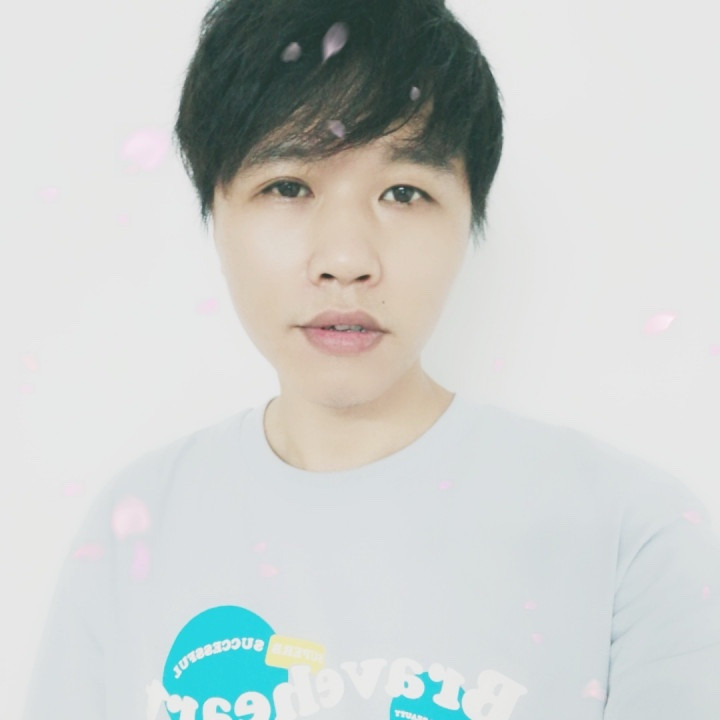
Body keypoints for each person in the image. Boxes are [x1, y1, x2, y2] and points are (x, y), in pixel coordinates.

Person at [22, 0, 720, 718]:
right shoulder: (137, 530)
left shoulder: (626, 535)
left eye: (403, 192)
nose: (346, 259)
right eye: (288, 186)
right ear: (215, 209)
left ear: (470, 217)